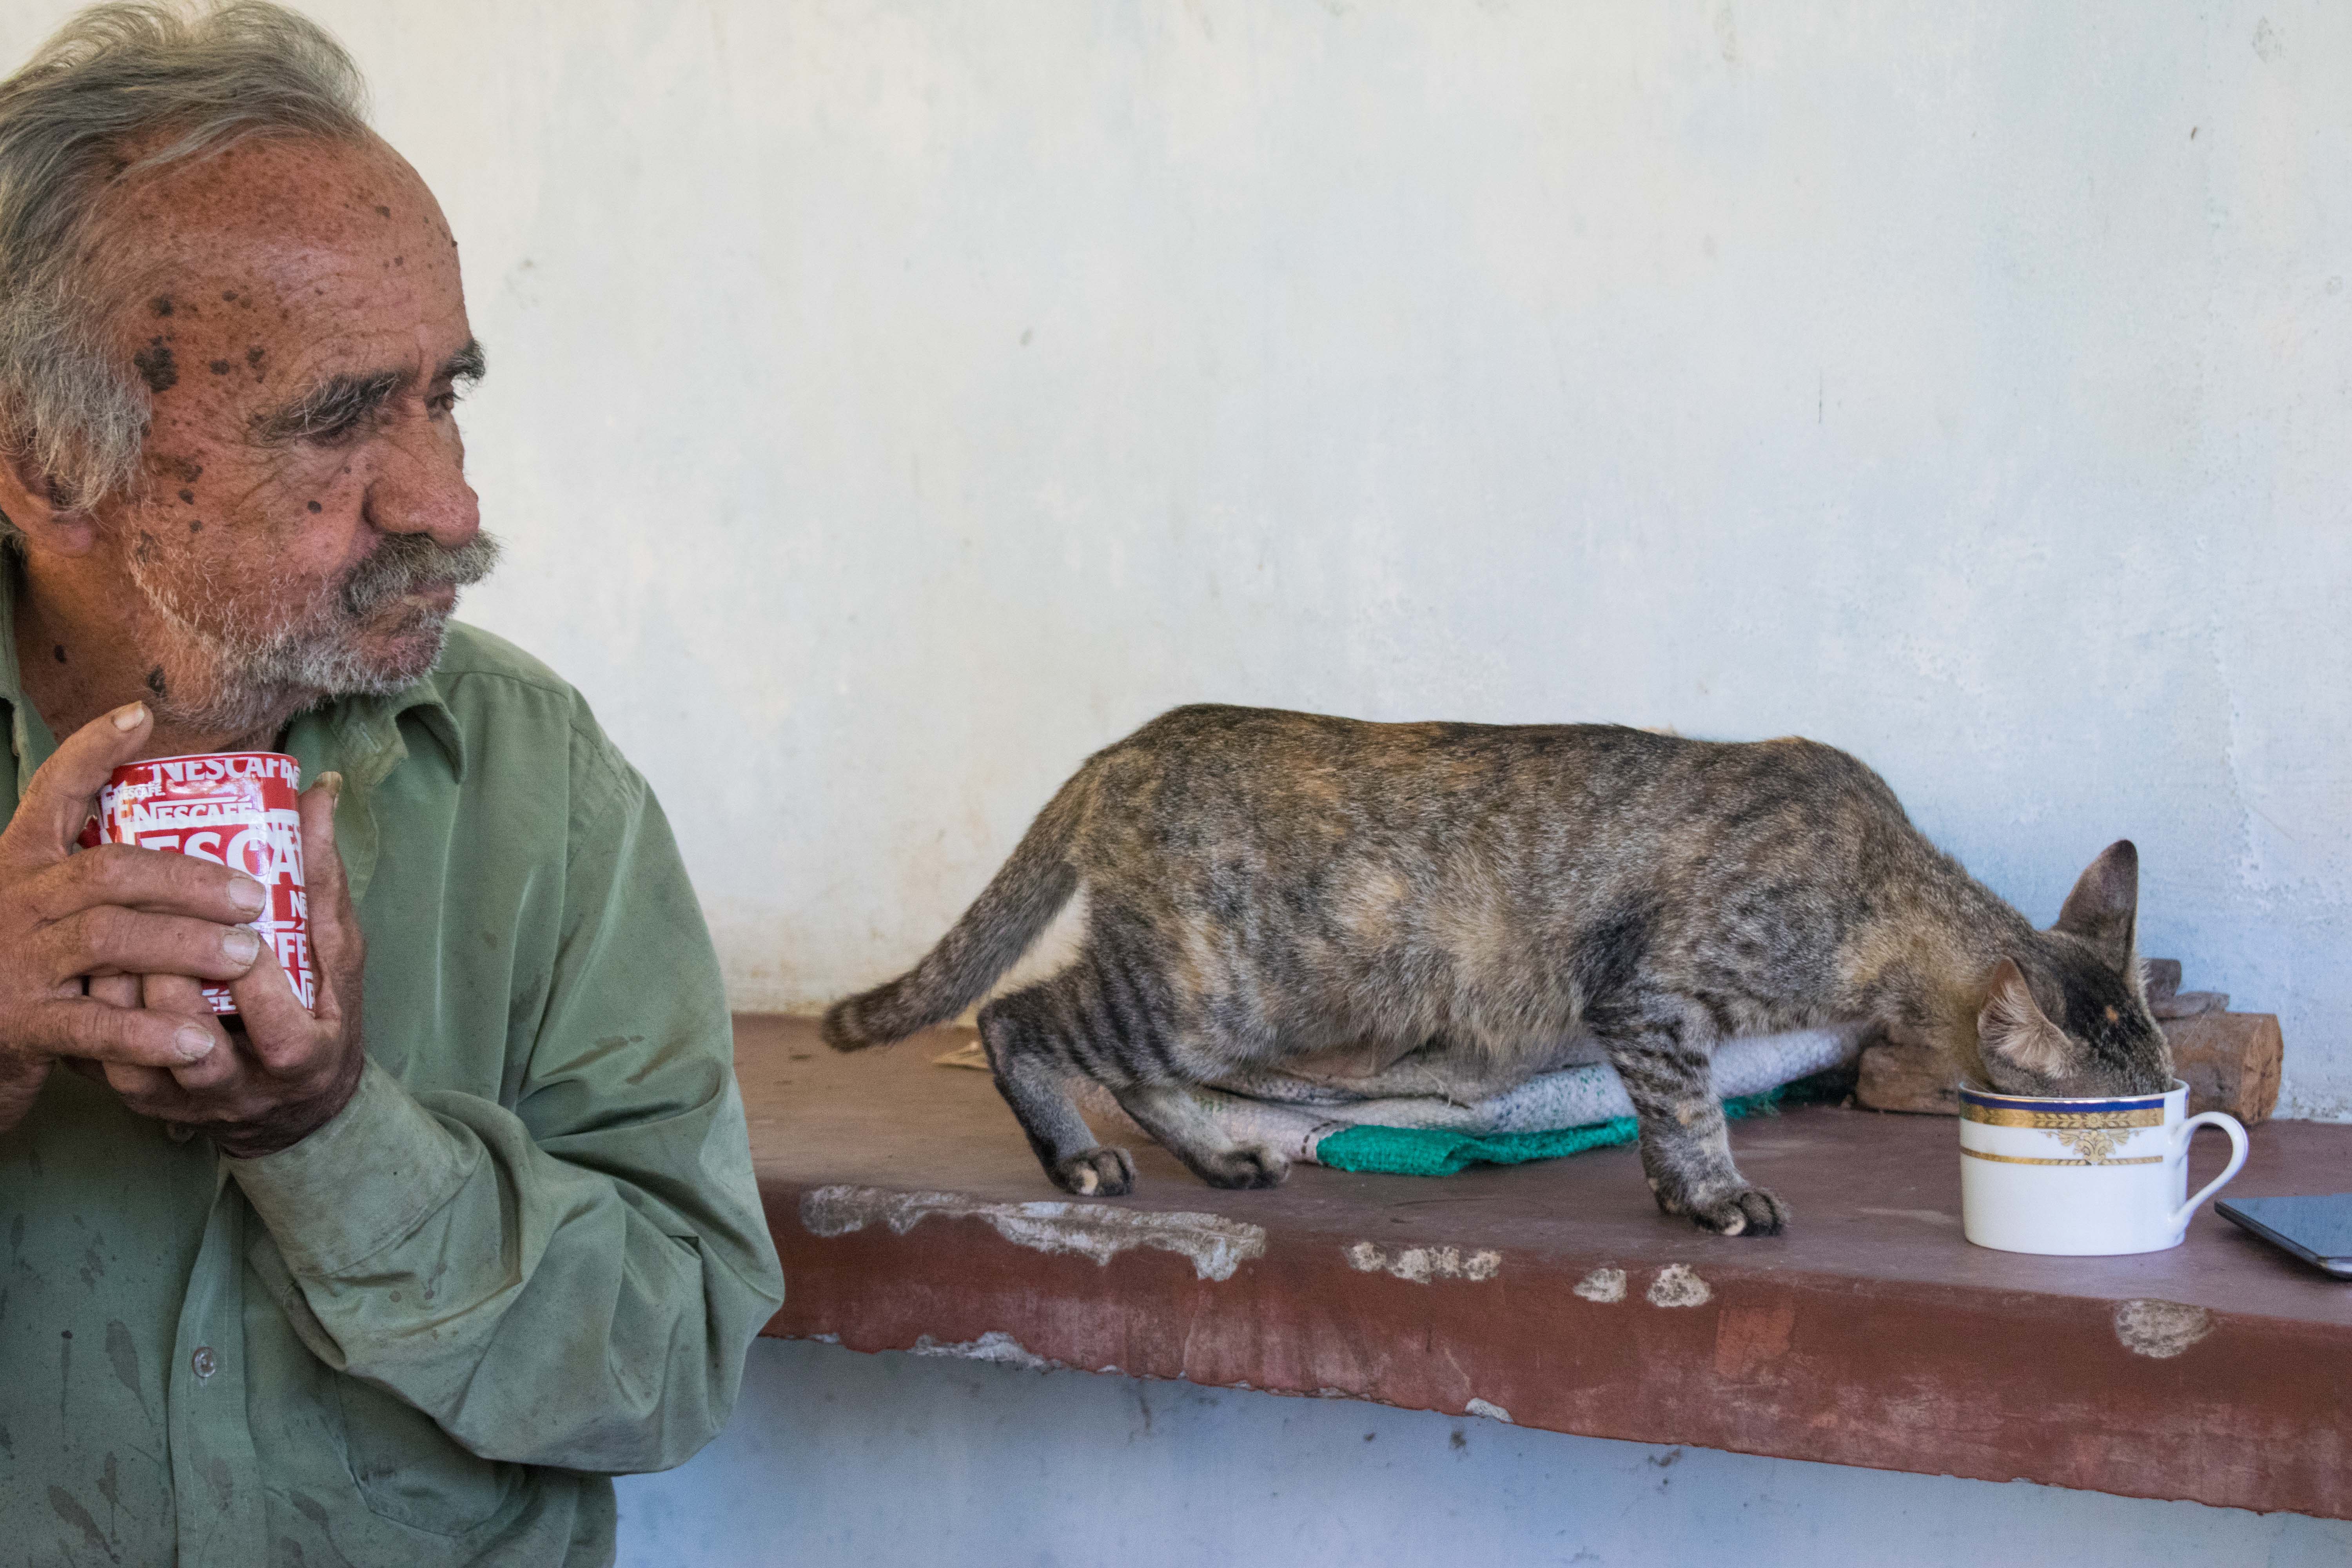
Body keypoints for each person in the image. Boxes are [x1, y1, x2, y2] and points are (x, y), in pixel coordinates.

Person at [0, 5, 786, 1563]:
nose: (449, 501)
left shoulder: (534, 776)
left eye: (445, 397)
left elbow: (674, 1362)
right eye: (338, 418)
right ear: (48, 458)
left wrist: (333, 1135)